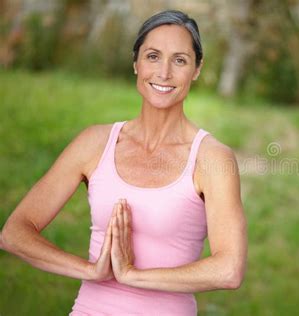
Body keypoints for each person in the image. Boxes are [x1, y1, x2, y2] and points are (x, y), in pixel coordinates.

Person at [1, 10, 247, 315]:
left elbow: (229, 269)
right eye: (153, 56)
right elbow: (15, 232)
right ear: (136, 63)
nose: (164, 72)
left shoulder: (211, 158)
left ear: (196, 69)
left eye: (180, 60)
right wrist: (91, 270)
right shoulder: (95, 143)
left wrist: (133, 275)